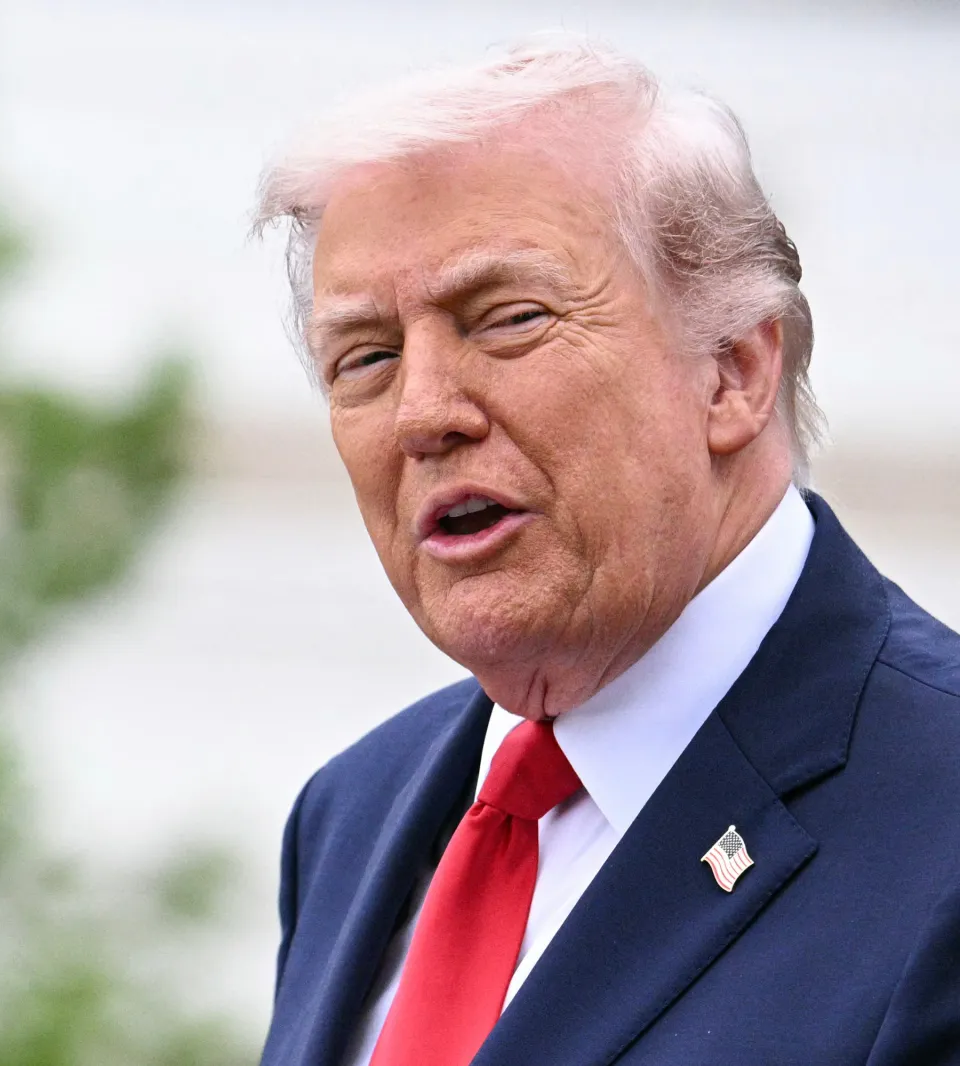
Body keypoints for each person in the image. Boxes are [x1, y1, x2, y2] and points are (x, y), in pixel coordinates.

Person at [251, 34, 960, 1066]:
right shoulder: (353, 811)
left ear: (731, 371)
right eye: (366, 356)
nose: (422, 414)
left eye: (506, 320)